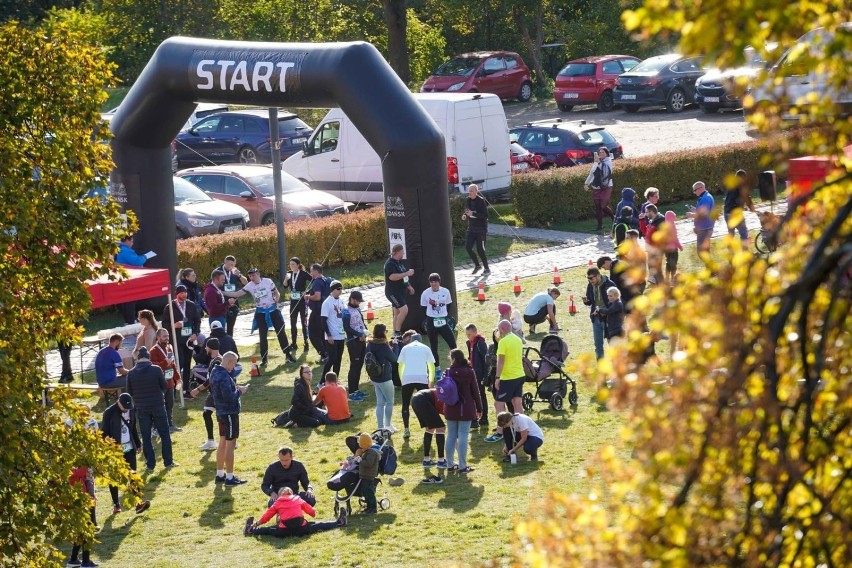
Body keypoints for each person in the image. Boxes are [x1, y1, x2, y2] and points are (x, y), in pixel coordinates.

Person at [225, 267, 297, 365]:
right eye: (250, 276)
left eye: (253, 275)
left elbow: (277, 293)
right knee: (262, 335)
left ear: (258, 274)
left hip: (272, 310)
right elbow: (237, 293)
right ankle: (264, 359)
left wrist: (276, 299)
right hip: (261, 312)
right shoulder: (250, 285)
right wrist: (222, 292)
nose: (251, 278)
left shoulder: (267, 281)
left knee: (280, 332)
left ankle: (287, 355)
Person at [126, 347, 175, 471]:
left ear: (137, 358)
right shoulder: (156, 369)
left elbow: (129, 391)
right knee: (164, 434)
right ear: (149, 357)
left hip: (142, 407)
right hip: (158, 405)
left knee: (146, 437)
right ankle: (168, 462)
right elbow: (164, 386)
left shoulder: (131, 373)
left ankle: (150, 464)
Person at [101, 393, 151, 516]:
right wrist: (110, 448)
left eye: (128, 407)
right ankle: (116, 504)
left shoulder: (131, 410)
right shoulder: (109, 412)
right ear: (118, 402)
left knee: (133, 474)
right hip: (115, 450)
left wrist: (138, 444)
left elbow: (133, 428)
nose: (126, 409)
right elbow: (104, 433)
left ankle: (139, 503)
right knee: (114, 477)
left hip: (129, 448)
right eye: (124, 407)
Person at [245, 487, 344, 538]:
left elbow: (266, 517)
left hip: (284, 531)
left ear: (280, 495)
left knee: (269, 530)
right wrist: (314, 512)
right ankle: (339, 522)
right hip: (302, 529)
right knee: (319, 525)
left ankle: (251, 530)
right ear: (291, 493)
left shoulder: (277, 503)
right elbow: (311, 512)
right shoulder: (298, 499)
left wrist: (257, 523)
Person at [211, 351, 248, 485]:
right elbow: (229, 396)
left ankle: (220, 474)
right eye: (234, 364)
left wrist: (235, 388)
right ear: (230, 362)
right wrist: (240, 391)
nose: (234, 368)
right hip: (229, 413)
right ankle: (230, 477)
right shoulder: (224, 376)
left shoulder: (215, 372)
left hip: (220, 412)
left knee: (222, 442)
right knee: (230, 444)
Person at [443, 349, 483, 474]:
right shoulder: (469, 372)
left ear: (453, 358)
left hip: (450, 407)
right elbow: (476, 392)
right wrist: (480, 408)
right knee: (463, 437)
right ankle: (462, 466)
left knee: (450, 436)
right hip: (466, 408)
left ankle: (449, 464)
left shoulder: (448, 372)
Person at [487, 320, 525, 443]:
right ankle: (522, 429)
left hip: (508, 377)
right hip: (519, 375)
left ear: (502, 329)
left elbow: (501, 361)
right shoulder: (518, 339)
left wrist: (497, 378)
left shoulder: (503, 342)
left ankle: (500, 431)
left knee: (498, 404)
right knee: (517, 403)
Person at [161, 284, 201, 398]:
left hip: (189, 340)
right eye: (182, 292)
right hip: (176, 340)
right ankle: (172, 389)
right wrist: (173, 325)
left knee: (188, 364)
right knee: (179, 364)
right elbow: (164, 324)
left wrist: (196, 333)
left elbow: (197, 320)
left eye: (185, 292)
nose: (184, 294)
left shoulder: (191, 305)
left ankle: (186, 389)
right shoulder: (170, 306)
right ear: (177, 294)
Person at [397, 330, 435, 439]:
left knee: (405, 405)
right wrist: (431, 381)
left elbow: (400, 366)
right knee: (426, 403)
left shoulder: (405, 348)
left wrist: (402, 380)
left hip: (407, 379)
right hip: (422, 378)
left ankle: (406, 429)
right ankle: (428, 425)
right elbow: (431, 366)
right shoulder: (426, 348)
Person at [420, 272, 456, 372]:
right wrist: (430, 317)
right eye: (431, 282)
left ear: (439, 282)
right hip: (431, 321)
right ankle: (437, 369)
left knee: (452, 343)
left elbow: (448, 305)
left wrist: (442, 315)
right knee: (433, 346)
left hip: (442, 320)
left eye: (435, 282)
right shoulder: (426, 293)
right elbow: (423, 307)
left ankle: (456, 364)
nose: (433, 284)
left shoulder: (446, 291)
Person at [190, 337, 222, 450]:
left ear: (210, 348)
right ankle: (212, 440)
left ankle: (224, 440)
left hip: (217, 393)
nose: (205, 348)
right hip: (214, 393)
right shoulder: (215, 359)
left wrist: (197, 390)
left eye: (206, 347)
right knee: (207, 414)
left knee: (221, 416)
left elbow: (210, 380)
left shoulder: (217, 361)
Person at [365, 324, 398, 431]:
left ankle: (380, 426)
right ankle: (388, 426)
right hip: (385, 378)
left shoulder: (369, 344)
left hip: (374, 377)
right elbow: (394, 358)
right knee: (389, 402)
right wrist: (396, 346)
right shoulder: (383, 346)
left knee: (380, 403)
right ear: (383, 333)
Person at [149, 328, 182, 432]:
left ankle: (170, 424)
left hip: (170, 382)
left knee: (170, 405)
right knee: (159, 406)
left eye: (167, 336)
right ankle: (157, 426)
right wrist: (164, 362)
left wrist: (178, 378)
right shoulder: (153, 351)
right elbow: (152, 365)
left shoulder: (169, 348)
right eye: (164, 336)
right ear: (158, 338)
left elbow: (172, 365)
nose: (167, 338)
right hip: (159, 384)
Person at [67, 464, 98, 567]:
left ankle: (74, 559)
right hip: (80, 503)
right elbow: (75, 474)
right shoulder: (71, 466)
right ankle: (85, 561)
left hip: (85, 501)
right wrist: (86, 467)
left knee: (81, 532)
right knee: (87, 531)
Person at [411, 388, 446, 478]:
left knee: (430, 429)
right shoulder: (448, 399)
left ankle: (426, 460)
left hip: (415, 399)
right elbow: (446, 412)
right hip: (423, 400)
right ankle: (441, 461)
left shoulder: (444, 392)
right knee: (441, 428)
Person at [115, 234, 151, 325]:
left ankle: (128, 321)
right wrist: (146, 256)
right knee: (130, 301)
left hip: (121, 279)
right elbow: (137, 262)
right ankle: (130, 322)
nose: (133, 243)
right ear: (126, 240)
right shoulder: (125, 251)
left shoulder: (119, 249)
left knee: (125, 301)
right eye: (131, 241)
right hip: (128, 279)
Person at [342, 290, 369, 402]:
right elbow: (347, 328)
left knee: (359, 366)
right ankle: (352, 392)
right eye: (358, 301)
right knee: (354, 366)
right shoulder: (346, 311)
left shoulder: (357, 309)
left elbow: (362, 322)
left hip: (362, 339)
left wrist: (365, 332)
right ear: (352, 299)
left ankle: (356, 389)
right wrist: (358, 334)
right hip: (353, 341)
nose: (359, 303)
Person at [582, 267, 615, 360]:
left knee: (612, 344)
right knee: (598, 345)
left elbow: (616, 302)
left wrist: (606, 312)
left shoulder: (609, 285)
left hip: (609, 318)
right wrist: (586, 301)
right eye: (588, 278)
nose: (590, 280)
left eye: (591, 278)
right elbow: (590, 301)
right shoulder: (590, 285)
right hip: (596, 317)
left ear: (598, 276)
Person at [384, 244, 416, 336]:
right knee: (404, 310)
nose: (403, 253)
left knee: (397, 312)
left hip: (400, 291)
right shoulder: (390, 263)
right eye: (402, 252)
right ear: (397, 252)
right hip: (392, 292)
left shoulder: (399, 262)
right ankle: (397, 332)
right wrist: (407, 273)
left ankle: (395, 334)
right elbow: (392, 277)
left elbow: (404, 276)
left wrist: (409, 286)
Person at [465, 323, 490, 428]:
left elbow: (486, 361)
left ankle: (484, 418)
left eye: (470, 334)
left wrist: (485, 376)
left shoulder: (480, 343)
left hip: (479, 375)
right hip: (472, 374)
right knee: (473, 396)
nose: (468, 337)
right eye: (467, 335)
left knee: (481, 396)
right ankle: (475, 418)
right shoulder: (469, 342)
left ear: (475, 332)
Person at [583, 147, 614, 231]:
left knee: (603, 206)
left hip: (606, 187)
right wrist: (586, 183)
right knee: (598, 207)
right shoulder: (597, 162)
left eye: (603, 152)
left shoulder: (608, 161)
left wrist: (598, 162)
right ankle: (599, 225)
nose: (601, 154)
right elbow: (592, 173)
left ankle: (614, 219)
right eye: (600, 152)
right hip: (596, 187)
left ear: (607, 154)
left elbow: (605, 171)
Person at [462, 183, 490, 275]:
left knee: (480, 249)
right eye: (469, 191)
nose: (469, 193)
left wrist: (473, 214)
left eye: (471, 191)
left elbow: (485, 216)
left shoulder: (481, 201)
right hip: (471, 228)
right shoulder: (468, 200)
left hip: (481, 229)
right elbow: (467, 210)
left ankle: (487, 269)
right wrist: (465, 215)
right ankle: (477, 265)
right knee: (468, 247)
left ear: (476, 191)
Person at [283, 257, 310, 350]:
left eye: (293, 264)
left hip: (302, 301)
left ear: (298, 265)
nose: (291, 266)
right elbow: (284, 286)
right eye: (290, 264)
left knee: (303, 322)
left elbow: (313, 281)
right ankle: (294, 343)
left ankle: (306, 342)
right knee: (293, 322)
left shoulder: (303, 273)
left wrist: (307, 292)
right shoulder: (289, 274)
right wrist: (286, 279)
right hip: (293, 301)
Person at [217, 255, 248, 336]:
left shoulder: (234, 272)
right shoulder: (218, 272)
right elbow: (213, 286)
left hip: (233, 303)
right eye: (230, 264)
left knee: (231, 327)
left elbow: (246, 283)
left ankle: (230, 344)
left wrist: (239, 275)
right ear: (225, 262)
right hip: (222, 303)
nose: (232, 267)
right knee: (221, 327)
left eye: (233, 265)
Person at [321, 280, 346, 377]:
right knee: (331, 359)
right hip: (332, 336)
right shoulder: (327, 302)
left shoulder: (341, 301)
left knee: (338, 360)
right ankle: (322, 381)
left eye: (341, 289)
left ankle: (335, 380)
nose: (340, 291)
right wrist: (329, 334)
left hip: (341, 334)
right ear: (332, 290)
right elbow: (323, 320)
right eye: (338, 289)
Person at [305, 263, 329, 361]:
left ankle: (323, 354)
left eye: (311, 271)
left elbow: (317, 296)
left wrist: (307, 297)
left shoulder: (317, 282)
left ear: (316, 271)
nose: (310, 273)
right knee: (322, 334)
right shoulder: (324, 279)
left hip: (317, 311)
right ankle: (327, 353)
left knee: (313, 334)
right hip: (323, 311)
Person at [724, 169, 754, 242]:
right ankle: (745, 251)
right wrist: (751, 208)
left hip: (727, 212)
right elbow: (746, 197)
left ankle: (731, 252)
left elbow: (732, 198)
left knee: (731, 234)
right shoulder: (741, 185)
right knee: (743, 233)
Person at [687, 180, 716, 254]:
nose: (694, 192)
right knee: (705, 251)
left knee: (701, 252)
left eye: (695, 190)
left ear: (700, 188)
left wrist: (691, 215)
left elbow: (703, 215)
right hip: (705, 227)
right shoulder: (705, 197)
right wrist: (695, 210)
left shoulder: (705, 198)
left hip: (704, 228)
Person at [355, 433, 380, 514]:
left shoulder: (371, 453)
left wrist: (360, 460)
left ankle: (373, 508)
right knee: (366, 492)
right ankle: (369, 507)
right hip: (365, 476)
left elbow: (369, 463)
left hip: (369, 476)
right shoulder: (366, 452)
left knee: (369, 492)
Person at [643, 204, 666, 285]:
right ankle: (658, 285)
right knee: (652, 267)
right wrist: (641, 220)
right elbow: (645, 232)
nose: (646, 214)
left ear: (651, 211)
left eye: (647, 212)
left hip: (657, 248)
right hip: (651, 248)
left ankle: (662, 286)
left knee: (657, 269)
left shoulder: (661, 220)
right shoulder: (652, 221)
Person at [662, 210, 683, 283]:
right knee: (674, 262)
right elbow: (675, 238)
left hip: (666, 249)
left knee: (668, 262)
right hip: (673, 248)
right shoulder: (672, 226)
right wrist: (679, 246)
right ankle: (673, 277)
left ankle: (667, 277)